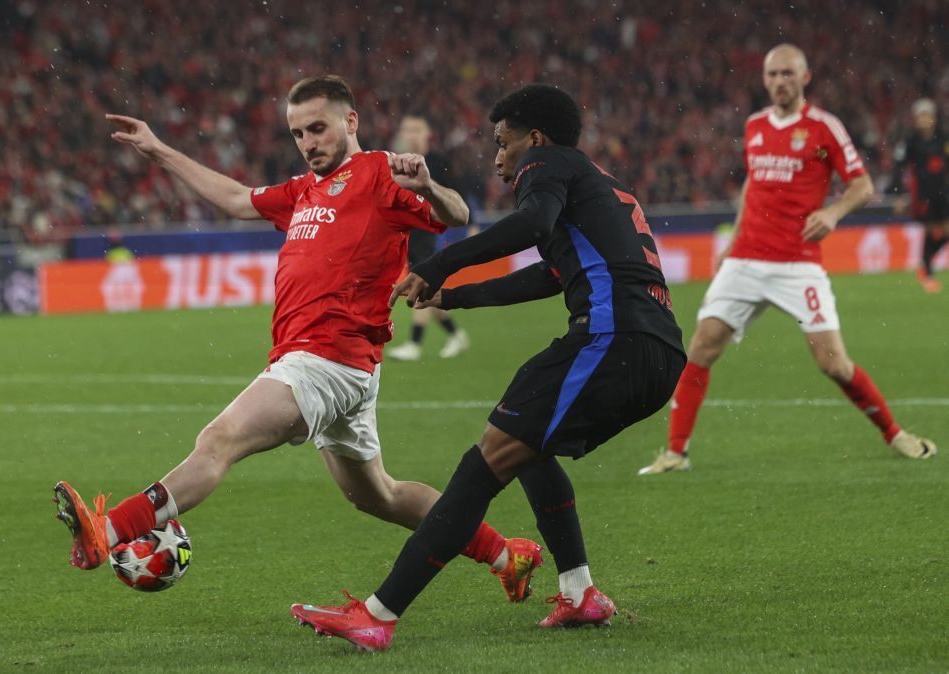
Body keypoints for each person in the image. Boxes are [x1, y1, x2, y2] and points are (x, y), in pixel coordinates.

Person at [52, 75, 542, 602]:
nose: (308, 143)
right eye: (297, 134)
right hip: (342, 365)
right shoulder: (303, 191)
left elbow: (458, 215)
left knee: (219, 441)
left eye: (317, 128)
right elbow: (239, 198)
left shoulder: (382, 173)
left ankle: (109, 532)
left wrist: (427, 186)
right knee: (380, 495)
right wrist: (159, 150)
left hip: (325, 359)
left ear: (350, 122)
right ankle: (505, 554)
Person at [290, 84, 687, 651]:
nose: (498, 160)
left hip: (611, 338)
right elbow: (550, 276)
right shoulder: (600, 185)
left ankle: (378, 615)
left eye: (503, 145)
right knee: (525, 442)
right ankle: (579, 593)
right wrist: (454, 298)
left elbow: (530, 225)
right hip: (656, 349)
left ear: (535, 139)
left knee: (483, 465)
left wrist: (443, 262)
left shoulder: (547, 164)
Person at [639, 45, 936, 476]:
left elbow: (864, 185)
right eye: (773, 74)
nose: (780, 81)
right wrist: (734, 238)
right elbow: (752, 187)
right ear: (764, 79)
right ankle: (675, 452)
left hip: (798, 264)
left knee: (833, 363)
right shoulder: (755, 125)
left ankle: (895, 434)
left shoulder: (823, 128)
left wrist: (833, 214)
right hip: (745, 259)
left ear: (805, 77)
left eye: (787, 74)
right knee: (701, 347)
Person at [387, 114, 471, 361]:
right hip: (407, 233)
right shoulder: (396, 161)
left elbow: (456, 197)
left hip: (427, 232)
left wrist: (472, 223)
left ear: (426, 134)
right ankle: (456, 334)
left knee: (420, 283)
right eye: (406, 129)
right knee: (426, 288)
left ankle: (414, 343)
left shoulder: (437, 161)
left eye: (415, 129)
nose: (410, 135)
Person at [888, 98, 949, 293]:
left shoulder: (944, 138)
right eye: (920, 116)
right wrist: (897, 194)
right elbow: (899, 168)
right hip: (924, 195)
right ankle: (927, 272)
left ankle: (925, 265)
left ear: (933, 118)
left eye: (927, 115)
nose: (924, 120)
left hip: (945, 193)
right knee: (931, 231)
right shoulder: (911, 142)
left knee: (943, 232)